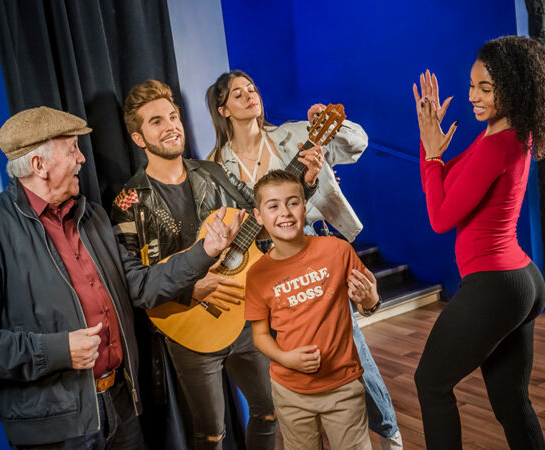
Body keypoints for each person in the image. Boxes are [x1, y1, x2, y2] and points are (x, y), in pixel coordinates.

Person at [0, 106, 241, 449]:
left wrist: (205, 250)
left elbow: (143, 286)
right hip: (56, 428)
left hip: (121, 407)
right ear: (39, 165)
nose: (81, 159)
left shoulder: (93, 217)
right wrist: (58, 350)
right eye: (71, 149)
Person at [111, 79, 322, 450]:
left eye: (173, 116)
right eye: (156, 121)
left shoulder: (212, 173)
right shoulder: (130, 203)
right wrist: (191, 286)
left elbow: (261, 218)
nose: (171, 125)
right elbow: (134, 283)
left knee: (270, 410)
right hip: (187, 326)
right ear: (138, 138)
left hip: (240, 317)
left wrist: (303, 184)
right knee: (211, 434)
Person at [206, 70, 403, 449]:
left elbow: (356, 145)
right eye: (237, 93)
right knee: (283, 352)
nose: (250, 96)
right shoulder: (216, 165)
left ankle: (388, 431)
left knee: (349, 343)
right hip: (256, 265)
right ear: (223, 109)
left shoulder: (294, 136)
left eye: (252, 89)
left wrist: (332, 124)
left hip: (309, 244)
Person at [412, 36, 545, 449]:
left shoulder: (498, 145)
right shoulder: (503, 136)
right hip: (519, 279)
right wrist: (430, 148)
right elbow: (451, 183)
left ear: (513, 86)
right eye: (472, 85)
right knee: (509, 401)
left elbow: (440, 216)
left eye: (486, 88)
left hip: (495, 284)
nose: (473, 96)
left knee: (430, 384)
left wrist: (431, 154)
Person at [246, 169, 381, 450]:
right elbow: (260, 335)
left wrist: (369, 298)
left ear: (304, 206)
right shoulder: (257, 274)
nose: (284, 212)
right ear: (259, 216)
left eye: (292, 202)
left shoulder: (337, 250)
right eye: (273, 206)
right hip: (290, 392)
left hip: (343, 386)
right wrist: (286, 358)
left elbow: (369, 304)